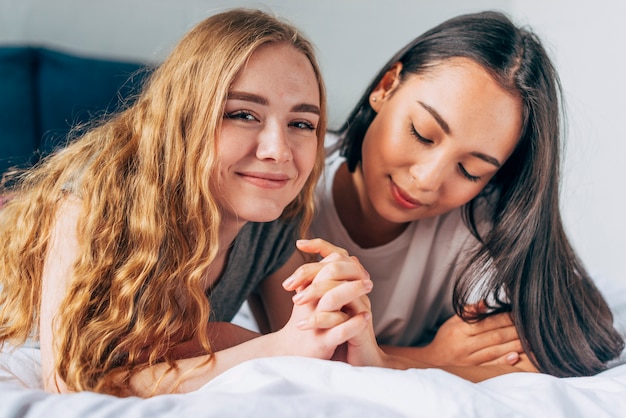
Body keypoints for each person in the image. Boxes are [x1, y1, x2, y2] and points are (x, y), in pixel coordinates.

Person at [0, 8, 374, 397]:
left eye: (301, 123)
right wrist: (253, 343)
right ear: (185, 119)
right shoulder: (93, 199)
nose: (278, 151)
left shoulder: (273, 221)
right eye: (243, 114)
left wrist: (343, 313)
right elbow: (67, 386)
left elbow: (315, 351)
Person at [275, 10, 624, 377]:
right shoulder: (285, 177)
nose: (427, 179)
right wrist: (430, 357)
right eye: (422, 133)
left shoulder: (479, 225)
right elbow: (264, 348)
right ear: (386, 86)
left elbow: (568, 343)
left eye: (470, 170)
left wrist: (393, 359)